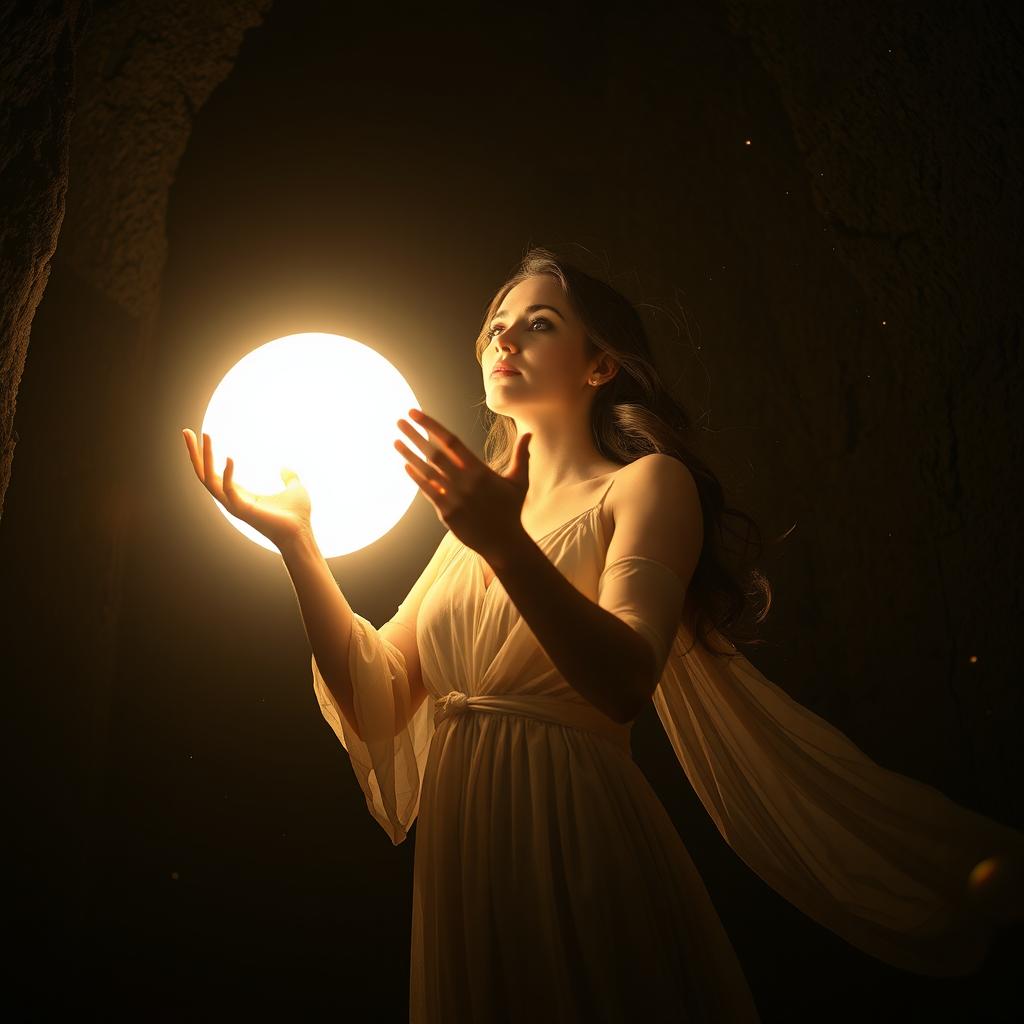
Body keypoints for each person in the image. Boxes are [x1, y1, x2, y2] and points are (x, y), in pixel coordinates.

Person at [183, 247, 1024, 1022]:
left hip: (575, 833)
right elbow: (376, 704)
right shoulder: (463, 531)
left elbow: (624, 678)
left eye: (539, 323)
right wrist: (297, 542)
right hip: (465, 860)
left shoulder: (643, 488)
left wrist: (505, 542)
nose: (505, 338)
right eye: (495, 326)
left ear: (600, 364)